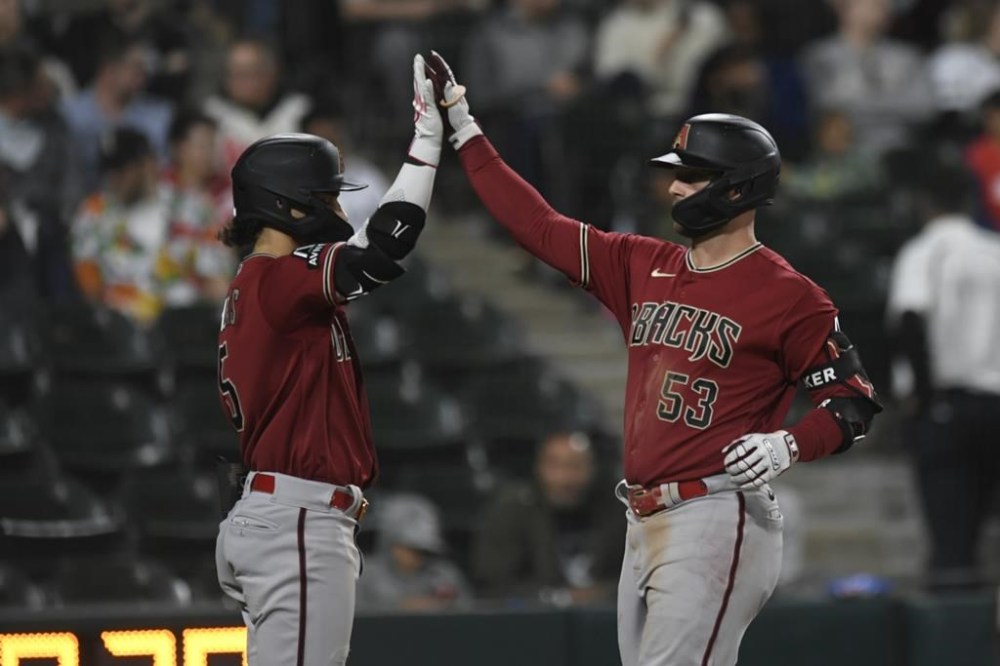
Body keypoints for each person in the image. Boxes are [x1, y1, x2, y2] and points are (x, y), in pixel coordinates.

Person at [423, 51, 882, 666]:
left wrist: (788, 445)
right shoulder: (643, 263)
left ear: (737, 187)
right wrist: (466, 128)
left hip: (718, 513)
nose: (673, 187)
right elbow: (536, 224)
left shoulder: (788, 295)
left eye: (691, 176)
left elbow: (852, 401)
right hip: (645, 517)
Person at [214, 55, 443, 665]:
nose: (340, 212)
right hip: (296, 518)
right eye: (325, 197)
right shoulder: (276, 280)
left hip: (283, 513)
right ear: (290, 206)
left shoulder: (263, 285)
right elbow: (385, 244)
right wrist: (427, 140)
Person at [886, 158, 1000, 592]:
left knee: (952, 549)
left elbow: (911, 320)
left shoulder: (924, 250)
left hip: (947, 407)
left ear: (924, 204)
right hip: (995, 404)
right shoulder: (995, 250)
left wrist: (923, 396)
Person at [473, 431, 624, 605]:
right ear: (539, 467)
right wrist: (555, 597)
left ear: (592, 468)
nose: (565, 478)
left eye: (575, 466)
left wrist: (602, 593)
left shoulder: (616, 510)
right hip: (533, 619)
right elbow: (493, 582)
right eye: (555, 466)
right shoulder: (512, 510)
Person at [356, 493, 472, 611]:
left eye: (423, 550)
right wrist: (400, 607)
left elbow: (467, 612)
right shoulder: (365, 575)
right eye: (410, 549)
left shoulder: (444, 575)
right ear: (390, 542)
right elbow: (352, 616)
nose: (417, 557)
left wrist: (440, 606)